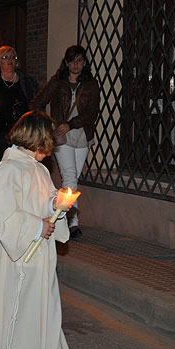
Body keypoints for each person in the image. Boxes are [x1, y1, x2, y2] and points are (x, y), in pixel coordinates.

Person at [0, 111, 75, 349]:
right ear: (38, 139)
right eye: (49, 138)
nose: (52, 145)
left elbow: (43, 203)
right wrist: (35, 227)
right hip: (13, 256)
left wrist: (57, 205)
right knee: (12, 310)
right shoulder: (7, 169)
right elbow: (3, 214)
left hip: (39, 254)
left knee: (39, 310)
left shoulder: (39, 170)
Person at [30, 45, 100, 239]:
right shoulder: (58, 82)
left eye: (79, 60)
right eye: (72, 61)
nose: (75, 65)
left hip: (82, 135)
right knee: (69, 176)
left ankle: (59, 212)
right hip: (62, 136)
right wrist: (51, 126)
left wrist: (71, 124)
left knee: (73, 178)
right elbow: (37, 102)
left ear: (84, 62)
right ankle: (72, 221)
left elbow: (92, 113)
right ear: (66, 63)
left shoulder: (91, 85)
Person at [0, 46, 38, 165]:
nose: (9, 60)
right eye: (5, 57)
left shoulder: (26, 81)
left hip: (20, 132)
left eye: (13, 57)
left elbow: (33, 102)